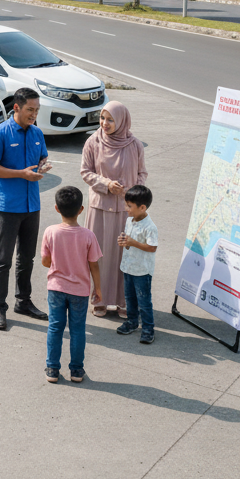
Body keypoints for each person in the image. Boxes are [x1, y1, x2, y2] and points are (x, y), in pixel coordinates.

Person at [0, 87, 51, 330]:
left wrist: (43, 165)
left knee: (27, 258)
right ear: (16, 108)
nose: (34, 115)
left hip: (32, 205)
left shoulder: (37, 133)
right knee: (3, 260)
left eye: (37, 110)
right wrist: (21, 174)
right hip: (8, 206)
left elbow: (42, 157)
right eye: (30, 110)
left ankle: (23, 301)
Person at [80, 101, 147, 319]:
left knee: (124, 256)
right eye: (102, 118)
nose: (105, 123)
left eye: (110, 119)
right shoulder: (93, 142)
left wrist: (133, 192)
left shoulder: (134, 144)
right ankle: (99, 298)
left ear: (121, 121)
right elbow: (86, 172)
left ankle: (123, 301)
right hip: (99, 208)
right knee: (98, 256)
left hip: (126, 210)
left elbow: (142, 174)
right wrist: (105, 184)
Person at [41, 186, 102, 383]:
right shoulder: (88, 235)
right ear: (81, 209)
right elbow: (94, 265)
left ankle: (52, 368)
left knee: (55, 328)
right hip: (80, 291)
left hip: (56, 288)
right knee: (77, 330)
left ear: (57, 208)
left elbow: (45, 261)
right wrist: (98, 289)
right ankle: (76, 370)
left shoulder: (50, 232)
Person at [117, 185, 158, 344]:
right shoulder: (129, 221)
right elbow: (129, 241)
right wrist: (125, 242)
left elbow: (152, 247)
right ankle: (132, 322)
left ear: (142, 207)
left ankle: (148, 329)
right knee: (130, 298)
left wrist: (133, 243)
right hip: (128, 267)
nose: (126, 209)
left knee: (144, 301)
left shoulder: (150, 227)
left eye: (129, 206)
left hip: (142, 271)